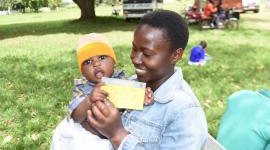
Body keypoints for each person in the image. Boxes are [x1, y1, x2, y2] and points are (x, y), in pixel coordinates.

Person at [87, 10, 208, 150]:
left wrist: (117, 134)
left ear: (175, 55)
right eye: (134, 48)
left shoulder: (184, 113)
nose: (135, 59)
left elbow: (115, 134)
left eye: (147, 54)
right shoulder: (133, 82)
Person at [50, 33, 153, 150]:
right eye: (88, 62)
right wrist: (89, 100)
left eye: (102, 57)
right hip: (91, 137)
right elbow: (75, 118)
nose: (96, 64)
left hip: (118, 133)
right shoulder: (83, 88)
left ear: (114, 62)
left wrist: (142, 96)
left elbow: (133, 101)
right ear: (82, 71)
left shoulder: (121, 81)